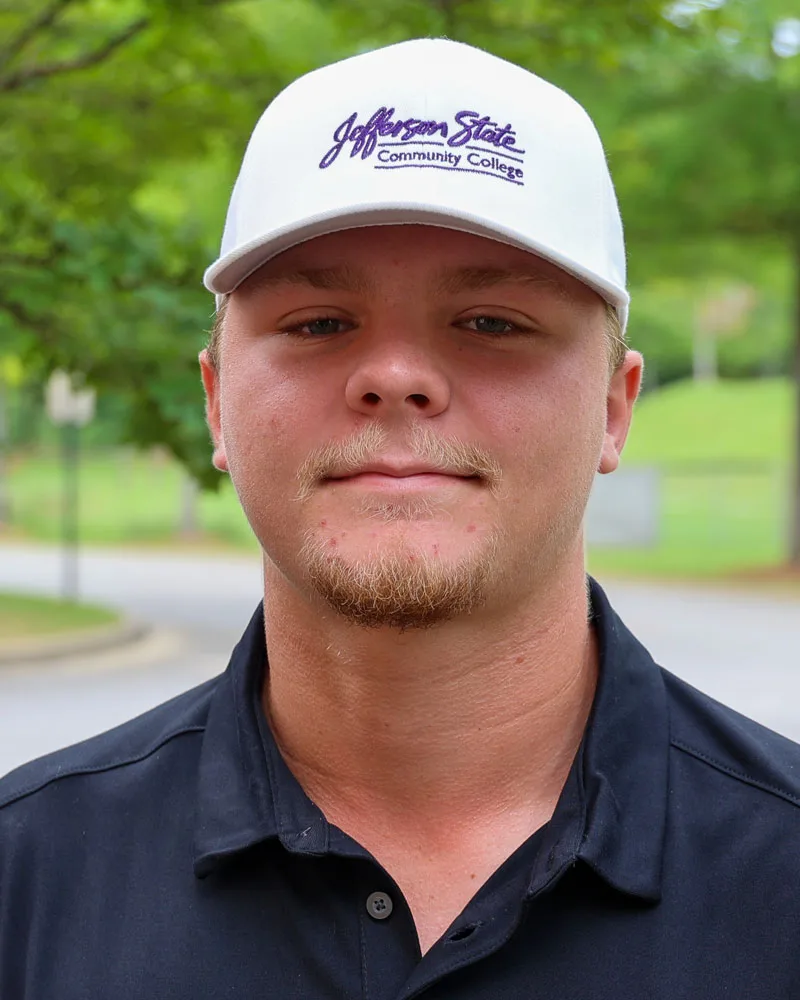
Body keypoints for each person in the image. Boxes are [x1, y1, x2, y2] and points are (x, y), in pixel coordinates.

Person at [1, 37, 799, 999]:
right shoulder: (26, 882)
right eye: (319, 324)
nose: (396, 378)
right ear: (216, 403)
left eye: (493, 323)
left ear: (613, 408)